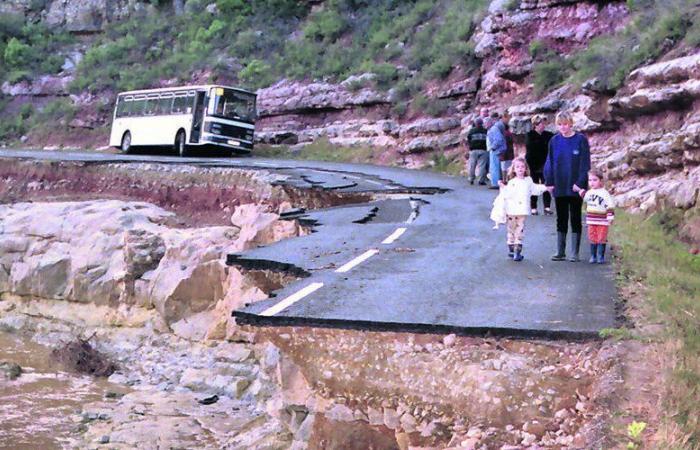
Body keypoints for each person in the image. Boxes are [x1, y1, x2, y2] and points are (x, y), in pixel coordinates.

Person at [544, 111, 591, 262]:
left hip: (576, 186)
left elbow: (585, 164)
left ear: (571, 124)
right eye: (560, 125)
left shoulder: (580, 140)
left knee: (575, 217)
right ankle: (560, 251)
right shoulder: (554, 141)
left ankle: (575, 252)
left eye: (565, 124)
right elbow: (549, 162)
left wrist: (580, 183)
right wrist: (549, 182)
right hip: (559, 184)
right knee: (561, 217)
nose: (563, 127)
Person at [498, 157, 548, 261]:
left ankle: (517, 252)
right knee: (511, 230)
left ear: (525, 168)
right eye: (517, 167)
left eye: (522, 167)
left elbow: (534, 189)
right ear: (514, 169)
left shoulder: (528, 181)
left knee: (519, 230)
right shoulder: (511, 182)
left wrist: (545, 187)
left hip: (522, 211)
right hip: (511, 211)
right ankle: (512, 249)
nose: (520, 169)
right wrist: (502, 187)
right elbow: (507, 195)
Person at [574, 170, 615, 264]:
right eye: (590, 180)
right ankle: (593, 256)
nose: (592, 182)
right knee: (592, 237)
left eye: (595, 180)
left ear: (601, 181)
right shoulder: (589, 192)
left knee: (601, 238)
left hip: (602, 220)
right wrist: (579, 190)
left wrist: (610, 217)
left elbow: (610, 205)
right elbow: (584, 197)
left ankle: (600, 256)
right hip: (591, 220)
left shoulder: (604, 193)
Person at [525, 114, 554, 215]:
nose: (543, 125)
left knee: (546, 185)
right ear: (535, 125)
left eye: (543, 123)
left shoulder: (548, 135)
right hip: (533, 163)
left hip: (545, 163)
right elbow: (530, 148)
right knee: (534, 185)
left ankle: (547, 207)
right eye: (541, 123)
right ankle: (533, 207)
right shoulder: (530, 135)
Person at [465, 118, 489, 185]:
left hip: (474, 150)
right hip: (483, 150)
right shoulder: (485, 131)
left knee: (472, 165)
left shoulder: (472, 131)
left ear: (475, 123)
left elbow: (468, 140)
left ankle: (471, 179)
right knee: (482, 165)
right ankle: (481, 180)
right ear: (482, 123)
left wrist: (468, 148)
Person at [487, 112, 506, 189]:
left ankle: (495, 183)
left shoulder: (495, 128)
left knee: (494, 166)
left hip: (496, 150)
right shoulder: (500, 125)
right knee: (498, 166)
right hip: (500, 149)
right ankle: (499, 181)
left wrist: (493, 147)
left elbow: (499, 139)